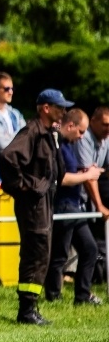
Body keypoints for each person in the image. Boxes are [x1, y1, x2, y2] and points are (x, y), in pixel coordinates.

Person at [0, 89, 102, 325]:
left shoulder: (49, 133)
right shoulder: (33, 130)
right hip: (33, 205)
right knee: (35, 255)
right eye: (59, 107)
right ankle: (26, 311)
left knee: (42, 255)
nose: (63, 112)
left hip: (44, 203)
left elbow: (56, 171)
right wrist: (27, 187)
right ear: (45, 108)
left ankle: (31, 307)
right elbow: (8, 157)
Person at [43, 109, 103, 306]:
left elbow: (69, 172)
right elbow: (61, 179)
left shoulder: (68, 144)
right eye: (81, 131)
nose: (82, 136)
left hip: (73, 206)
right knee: (60, 254)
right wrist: (87, 176)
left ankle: (82, 296)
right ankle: (53, 295)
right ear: (70, 126)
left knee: (90, 249)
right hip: (62, 205)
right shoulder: (57, 145)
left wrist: (84, 171)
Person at [77, 107, 109, 221]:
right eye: (105, 124)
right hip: (76, 198)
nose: (108, 129)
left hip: (90, 196)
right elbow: (88, 178)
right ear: (93, 121)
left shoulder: (106, 138)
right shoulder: (83, 137)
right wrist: (100, 206)